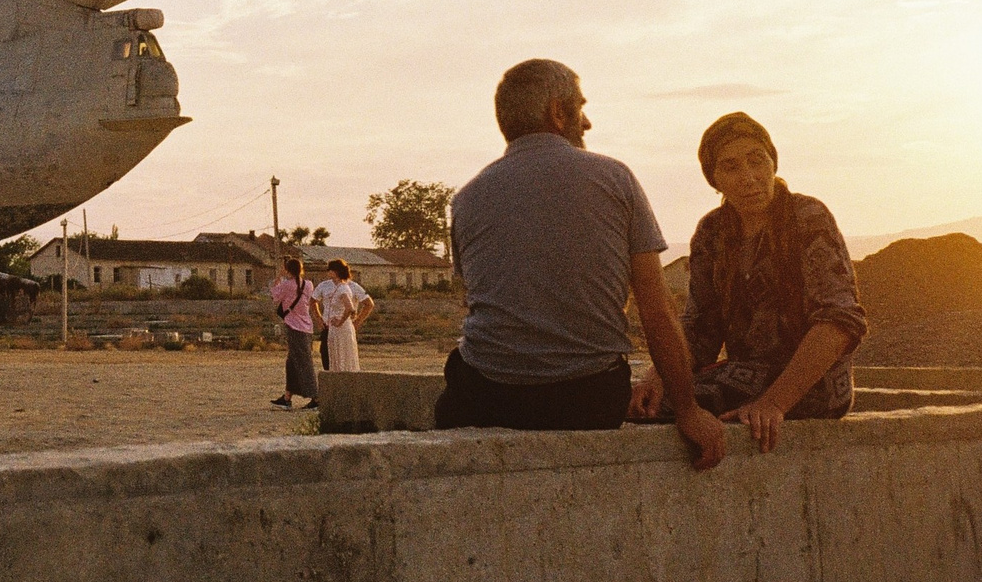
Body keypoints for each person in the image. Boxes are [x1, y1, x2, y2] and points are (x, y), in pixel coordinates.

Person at [435, 59, 726, 469]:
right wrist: (688, 411)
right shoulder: (615, 178)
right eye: (581, 108)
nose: (586, 123)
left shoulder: (466, 199)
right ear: (558, 112)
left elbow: (477, 299)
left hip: (488, 398)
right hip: (587, 399)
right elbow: (656, 310)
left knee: (460, 373)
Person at [630, 113, 870, 453]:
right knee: (646, 402)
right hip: (746, 375)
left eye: (757, 161)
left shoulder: (808, 218)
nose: (749, 178)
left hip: (814, 384)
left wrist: (774, 404)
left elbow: (838, 323)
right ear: (714, 180)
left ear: (773, 161)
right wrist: (658, 376)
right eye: (730, 167)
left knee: (671, 409)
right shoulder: (711, 233)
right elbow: (701, 329)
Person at [267, 255, 318, 409]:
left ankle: (316, 397)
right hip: (306, 326)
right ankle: (287, 396)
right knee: (292, 362)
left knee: (303, 362)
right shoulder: (308, 284)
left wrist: (279, 276)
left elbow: (274, 296)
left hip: (294, 326)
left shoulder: (287, 285)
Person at [314, 259, 374, 373]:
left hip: (341, 327)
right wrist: (318, 319)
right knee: (328, 356)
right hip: (328, 326)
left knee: (343, 357)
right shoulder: (325, 285)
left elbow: (366, 304)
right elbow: (313, 301)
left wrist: (356, 321)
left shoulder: (349, 287)